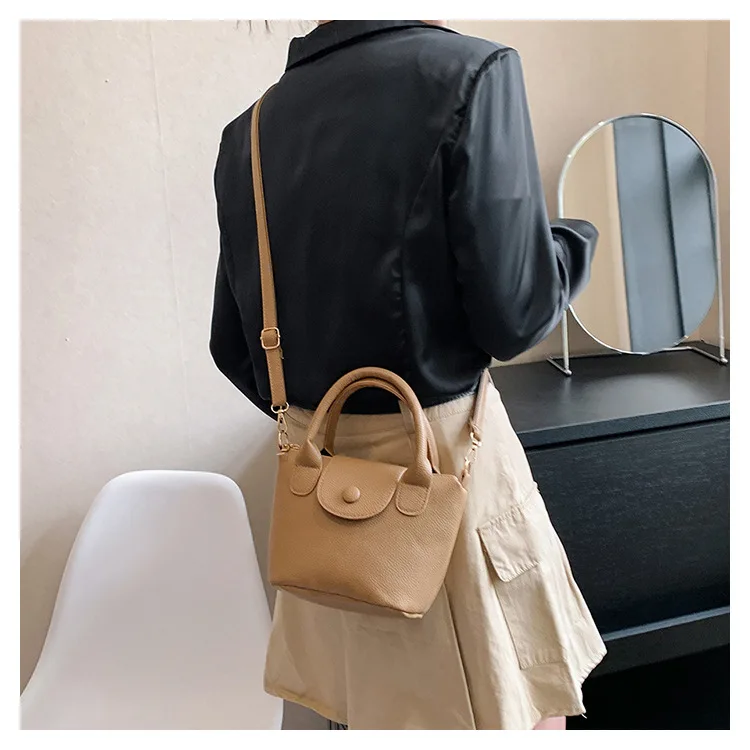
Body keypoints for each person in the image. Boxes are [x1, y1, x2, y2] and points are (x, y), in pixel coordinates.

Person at [211, 20, 605, 730]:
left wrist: (329, 423)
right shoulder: (473, 74)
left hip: (325, 518)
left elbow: (234, 349)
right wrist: (575, 242)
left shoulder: (250, 131)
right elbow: (515, 315)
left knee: (369, 714)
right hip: (446, 485)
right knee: (514, 709)